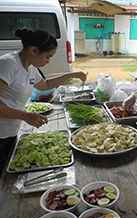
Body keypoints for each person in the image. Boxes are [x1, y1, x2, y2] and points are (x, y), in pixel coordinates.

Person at [0, 29, 86, 175]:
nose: (48, 61)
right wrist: (25, 115)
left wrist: (73, 74)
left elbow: (44, 85)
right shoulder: (9, 64)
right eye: (47, 57)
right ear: (34, 50)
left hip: (10, 130)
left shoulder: (31, 68)